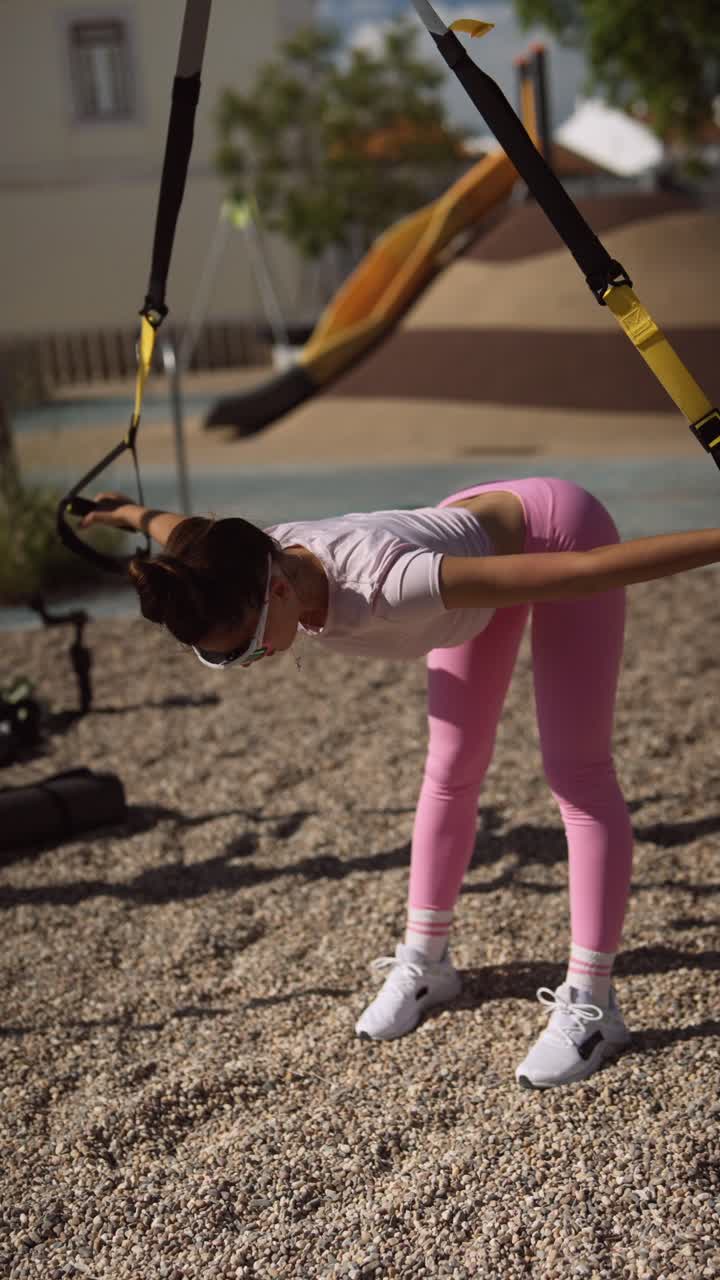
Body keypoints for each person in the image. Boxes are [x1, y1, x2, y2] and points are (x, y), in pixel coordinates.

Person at [81, 477, 720, 1089]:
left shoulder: (390, 584)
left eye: (244, 648)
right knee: (449, 766)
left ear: (274, 589)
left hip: (560, 536)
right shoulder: (235, 557)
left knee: (576, 770)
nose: (247, 663)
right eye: (221, 658)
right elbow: (185, 536)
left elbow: (585, 574)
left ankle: (593, 1002)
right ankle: (429, 963)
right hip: (468, 546)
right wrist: (131, 514)